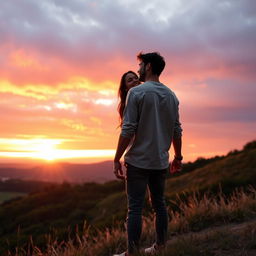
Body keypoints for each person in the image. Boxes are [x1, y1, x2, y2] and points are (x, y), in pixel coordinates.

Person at [113, 52, 183, 256]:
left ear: (149, 66)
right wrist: (177, 157)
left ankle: (132, 253)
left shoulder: (137, 93)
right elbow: (176, 130)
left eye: (141, 65)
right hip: (160, 162)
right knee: (159, 205)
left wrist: (117, 158)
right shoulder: (172, 96)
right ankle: (160, 247)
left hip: (138, 161)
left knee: (134, 209)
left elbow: (127, 130)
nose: (138, 69)